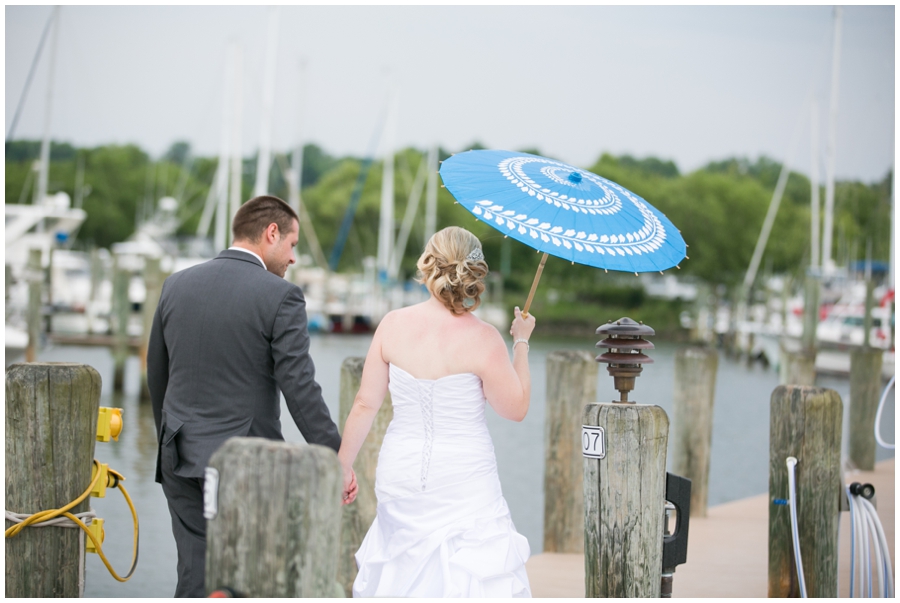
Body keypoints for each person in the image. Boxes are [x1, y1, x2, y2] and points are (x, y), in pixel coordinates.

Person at [147, 195, 350, 597]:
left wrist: (169, 437)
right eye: (292, 244)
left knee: (195, 575)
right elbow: (300, 387)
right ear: (271, 233)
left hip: (179, 455)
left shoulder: (176, 284)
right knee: (248, 576)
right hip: (246, 464)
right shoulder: (280, 296)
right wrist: (336, 458)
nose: (293, 258)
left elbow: (158, 374)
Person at [338, 226, 535, 597]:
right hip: (465, 478)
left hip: (401, 471)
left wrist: (343, 466)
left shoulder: (393, 325)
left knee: (401, 573)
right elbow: (516, 408)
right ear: (475, 273)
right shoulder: (485, 339)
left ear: (428, 264)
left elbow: (365, 404)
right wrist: (521, 342)